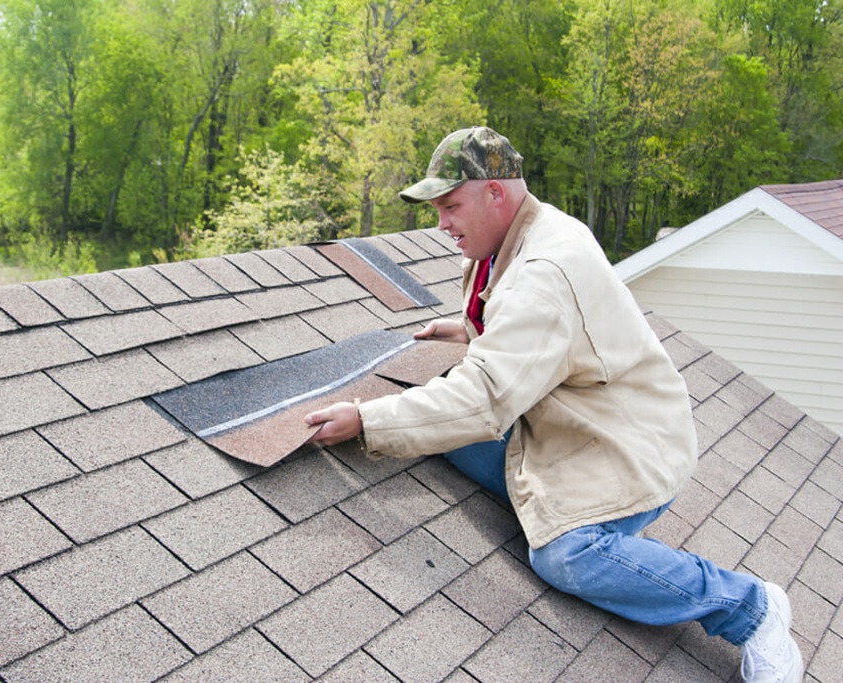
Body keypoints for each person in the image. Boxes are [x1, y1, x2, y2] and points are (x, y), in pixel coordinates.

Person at [303, 127, 803, 683]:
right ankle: (559, 504)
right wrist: (475, 330)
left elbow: (486, 397)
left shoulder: (546, 269)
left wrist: (366, 418)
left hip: (624, 444)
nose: (441, 224)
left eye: (450, 206)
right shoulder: (519, 235)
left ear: (495, 192)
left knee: (565, 552)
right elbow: (527, 331)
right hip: (564, 418)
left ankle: (748, 607)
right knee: (433, 430)